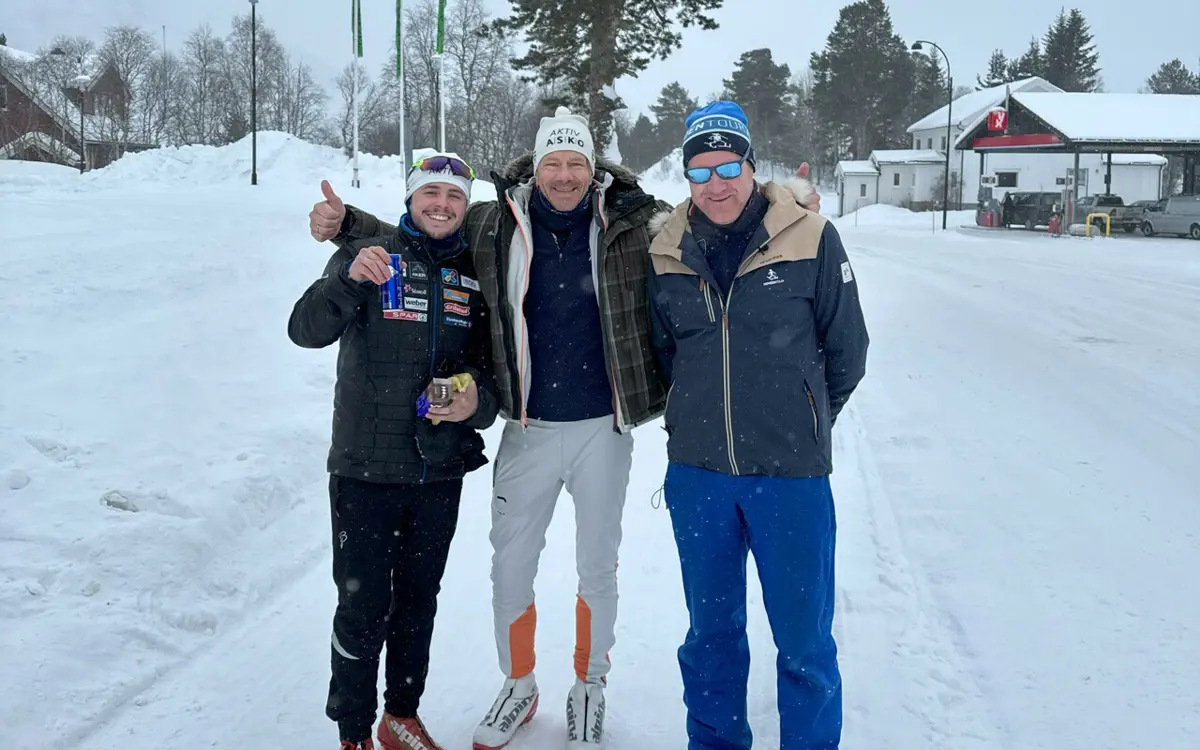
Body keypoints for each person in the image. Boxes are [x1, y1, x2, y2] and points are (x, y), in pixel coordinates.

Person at [309, 108, 823, 750]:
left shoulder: (633, 223)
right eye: (552, 162)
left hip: (603, 429)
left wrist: (783, 201)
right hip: (527, 426)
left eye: (575, 162)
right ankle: (519, 684)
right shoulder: (495, 221)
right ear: (536, 167)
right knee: (509, 566)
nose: (563, 174)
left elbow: (712, 210)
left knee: (597, 566)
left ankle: (589, 686)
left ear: (592, 168)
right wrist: (348, 226)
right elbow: (425, 229)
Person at [646, 100, 869, 750]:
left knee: (804, 641)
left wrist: (801, 418)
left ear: (751, 165)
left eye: (728, 167)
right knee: (710, 637)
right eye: (700, 170)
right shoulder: (665, 249)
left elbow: (847, 351)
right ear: (687, 174)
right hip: (700, 477)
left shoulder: (811, 236)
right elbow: (665, 354)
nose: (715, 184)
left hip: (790, 478)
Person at [289, 152, 500, 750]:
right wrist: (347, 279)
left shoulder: (473, 274)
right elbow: (304, 330)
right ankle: (353, 730)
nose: (442, 205)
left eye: (454, 196)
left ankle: (400, 715)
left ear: (465, 207)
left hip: (438, 470)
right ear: (410, 200)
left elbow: (492, 378)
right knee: (362, 607)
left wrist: (474, 401)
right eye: (430, 193)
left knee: (418, 601)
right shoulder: (368, 255)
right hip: (365, 469)